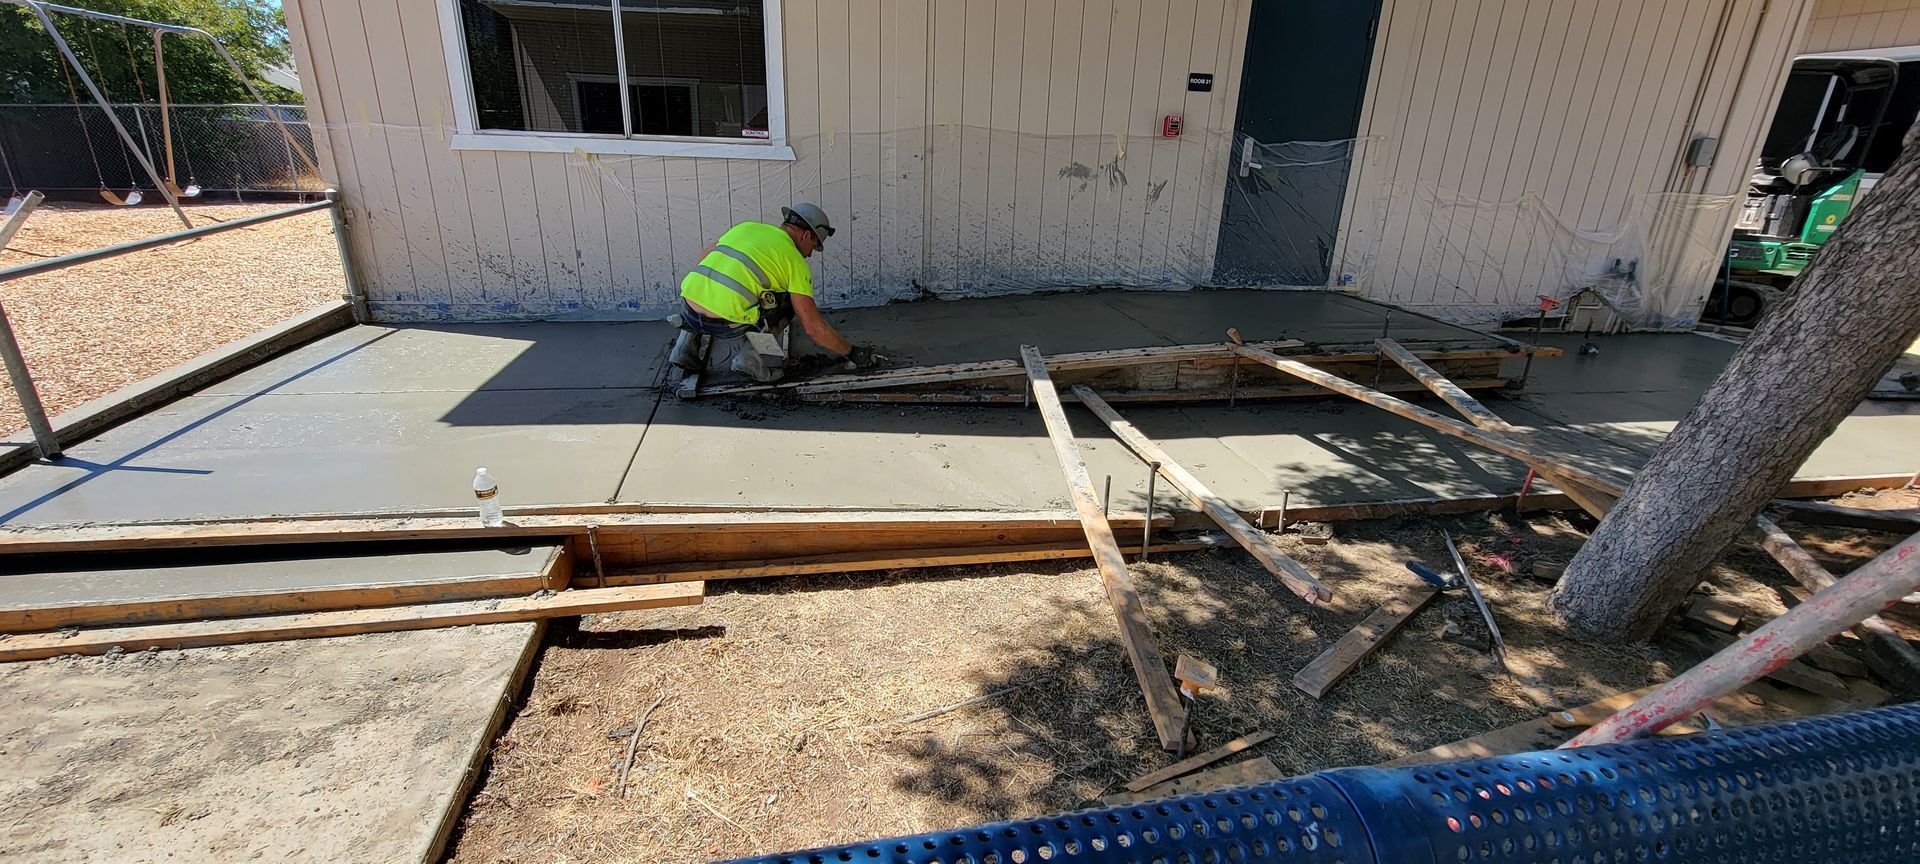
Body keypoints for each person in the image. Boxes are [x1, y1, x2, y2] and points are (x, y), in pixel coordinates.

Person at [668, 202, 882, 382]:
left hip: (687, 307)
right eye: (814, 246)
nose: (810, 255)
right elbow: (813, 327)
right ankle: (750, 359)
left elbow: (704, 258)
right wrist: (852, 352)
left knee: (706, 287)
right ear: (806, 235)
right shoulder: (795, 261)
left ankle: (684, 348)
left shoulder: (746, 227)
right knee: (788, 304)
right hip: (725, 324)